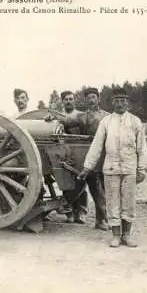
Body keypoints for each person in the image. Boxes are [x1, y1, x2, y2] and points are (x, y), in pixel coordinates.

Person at [78, 88, 147, 247]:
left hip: (130, 168)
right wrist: (87, 167)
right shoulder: (106, 122)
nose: (120, 104)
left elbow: (142, 148)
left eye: (123, 100)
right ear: (112, 102)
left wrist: (142, 169)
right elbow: (96, 146)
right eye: (117, 101)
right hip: (111, 168)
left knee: (129, 202)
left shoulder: (135, 122)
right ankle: (116, 235)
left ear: (128, 102)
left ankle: (127, 235)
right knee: (113, 202)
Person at [51, 88, 110, 230]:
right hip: (86, 156)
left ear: (98, 99)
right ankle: (66, 208)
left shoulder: (107, 117)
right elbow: (66, 121)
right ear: (85, 100)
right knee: (90, 187)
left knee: (101, 189)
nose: (91, 100)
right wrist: (52, 119)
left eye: (94, 97)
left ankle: (100, 220)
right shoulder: (83, 117)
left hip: (104, 155)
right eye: (89, 97)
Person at [58, 90, 88, 223]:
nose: (69, 101)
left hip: (79, 150)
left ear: (74, 100)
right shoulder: (59, 116)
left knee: (81, 181)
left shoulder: (80, 115)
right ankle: (69, 213)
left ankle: (80, 213)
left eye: (71, 99)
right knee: (66, 181)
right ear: (62, 102)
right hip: (65, 151)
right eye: (66, 99)